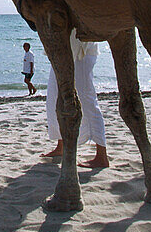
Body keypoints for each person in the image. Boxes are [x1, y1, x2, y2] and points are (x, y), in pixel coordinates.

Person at [42, 30, 109, 168]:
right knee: (53, 98)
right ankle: (60, 146)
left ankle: (101, 155)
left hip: (81, 51)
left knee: (87, 100)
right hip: (61, 50)